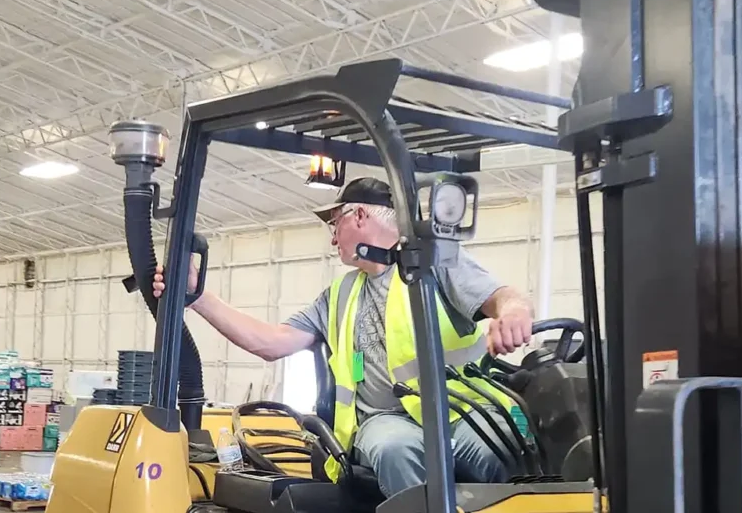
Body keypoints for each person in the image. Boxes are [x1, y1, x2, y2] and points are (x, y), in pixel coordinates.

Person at [154, 177, 534, 496]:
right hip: (387, 421)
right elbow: (269, 342)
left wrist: (513, 314)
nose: (334, 239)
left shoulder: (436, 265)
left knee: (504, 441)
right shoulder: (339, 296)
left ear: (361, 215)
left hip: (460, 412)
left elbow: (503, 297)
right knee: (394, 450)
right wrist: (197, 296)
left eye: (335, 224)